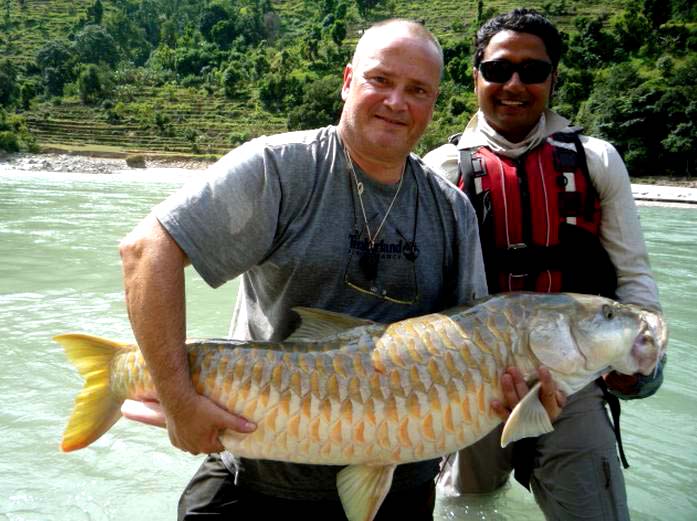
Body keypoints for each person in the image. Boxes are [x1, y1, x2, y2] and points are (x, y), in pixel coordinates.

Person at [119, 19, 489, 520]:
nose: (396, 102)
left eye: (417, 90)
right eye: (380, 80)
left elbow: (476, 342)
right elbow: (146, 251)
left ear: (434, 101)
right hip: (255, 479)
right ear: (347, 80)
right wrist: (178, 399)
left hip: (397, 489)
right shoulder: (280, 169)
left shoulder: (452, 210)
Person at [423, 8, 664, 521]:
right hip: (469, 383)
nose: (514, 84)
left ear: (553, 78)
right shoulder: (440, 171)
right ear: (476, 75)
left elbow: (635, 278)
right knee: (465, 509)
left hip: (575, 382)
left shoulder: (597, 160)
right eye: (497, 69)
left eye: (532, 71)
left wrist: (644, 365)